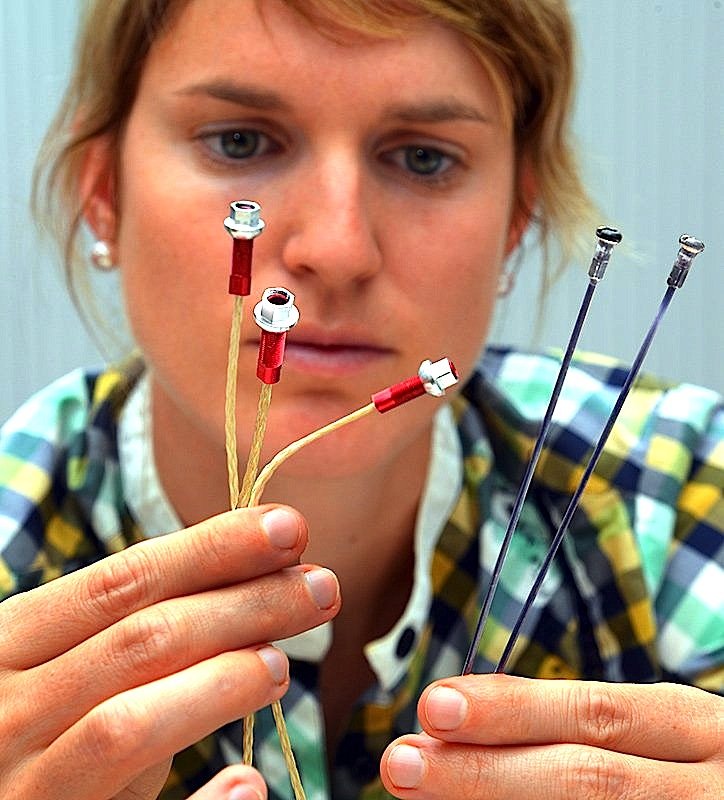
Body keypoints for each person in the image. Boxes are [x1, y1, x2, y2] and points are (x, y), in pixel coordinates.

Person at [0, 0, 722, 798]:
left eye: (421, 158)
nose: (338, 250)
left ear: (517, 219)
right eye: (240, 141)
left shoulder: (680, 486)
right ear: (103, 193)